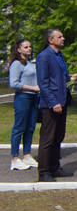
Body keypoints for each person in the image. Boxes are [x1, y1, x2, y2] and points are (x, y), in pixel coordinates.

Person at [35, 29, 77, 182]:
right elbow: (43, 83)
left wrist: (71, 78)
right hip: (51, 104)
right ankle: (43, 172)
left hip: (62, 100)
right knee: (47, 138)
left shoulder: (59, 55)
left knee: (58, 136)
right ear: (50, 40)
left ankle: (54, 167)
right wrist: (53, 102)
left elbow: (59, 78)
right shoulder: (44, 56)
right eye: (59, 37)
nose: (63, 38)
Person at [9, 39, 40, 171]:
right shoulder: (16, 64)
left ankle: (27, 155)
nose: (29, 48)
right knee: (19, 128)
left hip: (33, 98)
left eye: (30, 46)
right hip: (23, 98)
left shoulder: (30, 64)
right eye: (26, 47)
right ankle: (15, 159)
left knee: (30, 127)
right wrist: (33, 88)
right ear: (19, 50)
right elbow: (13, 83)